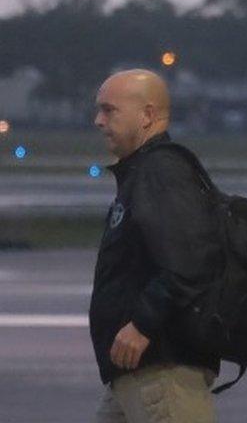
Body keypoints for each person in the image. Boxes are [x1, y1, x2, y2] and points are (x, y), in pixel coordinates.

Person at [90, 69, 220, 423]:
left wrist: (142, 325)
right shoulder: (143, 172)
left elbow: (192, 259)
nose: (98, 121)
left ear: (147, 115)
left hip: (161, 373)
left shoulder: (162, 173)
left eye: (109, 110)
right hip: (135, 374)